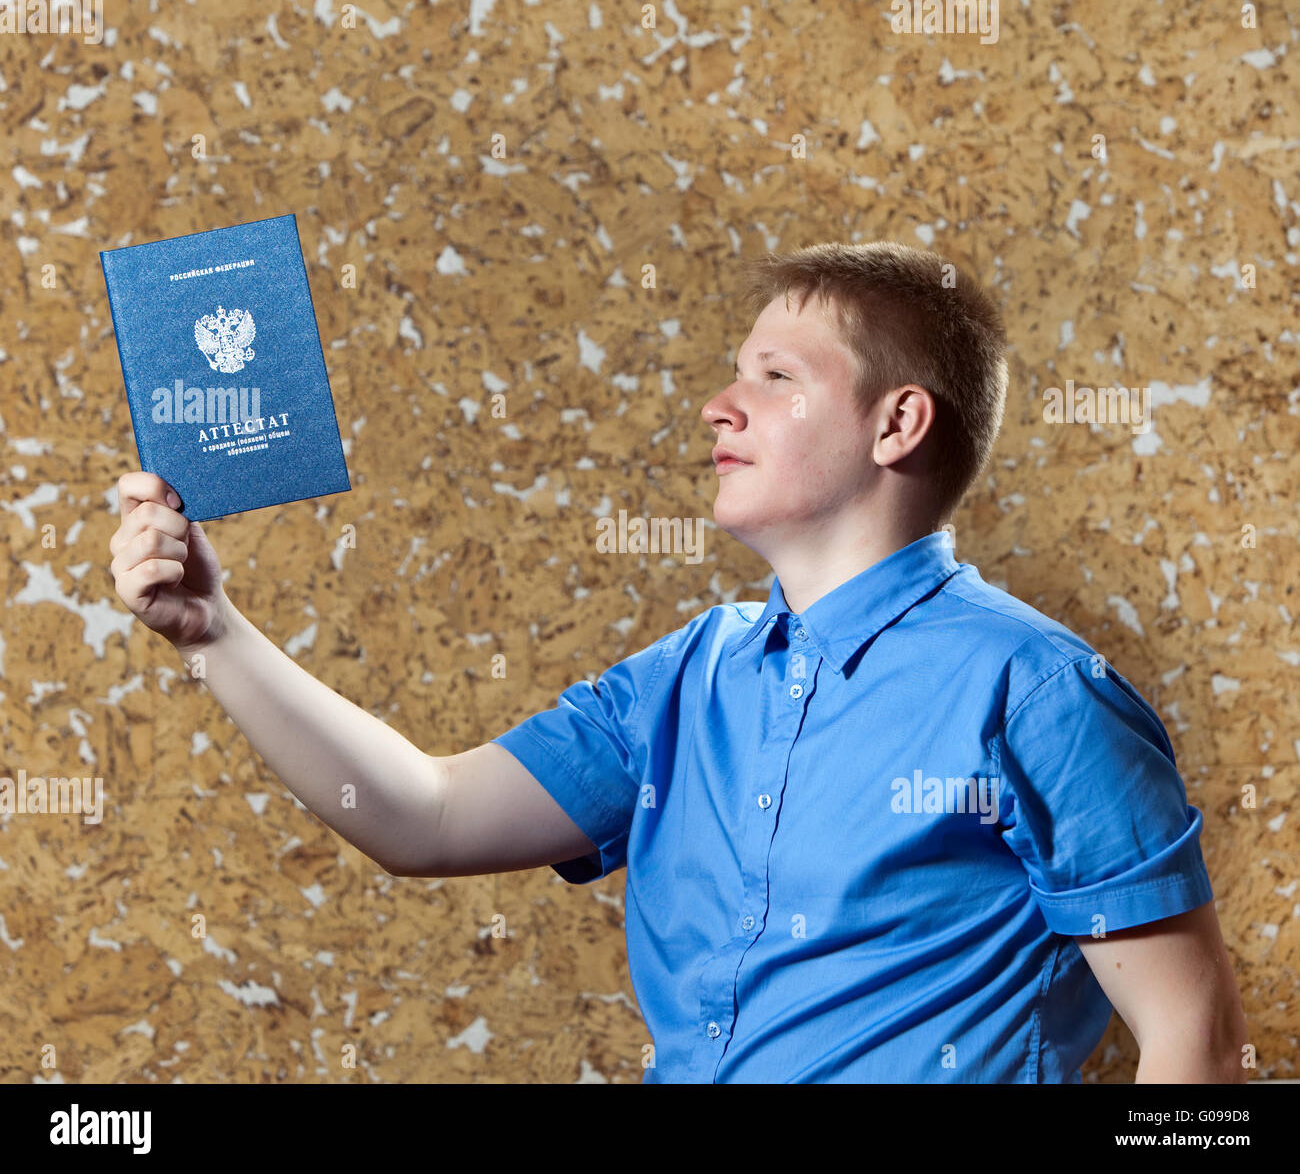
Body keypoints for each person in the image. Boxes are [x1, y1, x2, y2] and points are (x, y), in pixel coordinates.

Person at [109, 240, 1247, 1084]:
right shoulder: (684, 677)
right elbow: (426, 819)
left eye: (773, 378)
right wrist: (217, 631)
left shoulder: (1037, 695)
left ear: (896, 425)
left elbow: (1194, 1042)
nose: (718, 406)